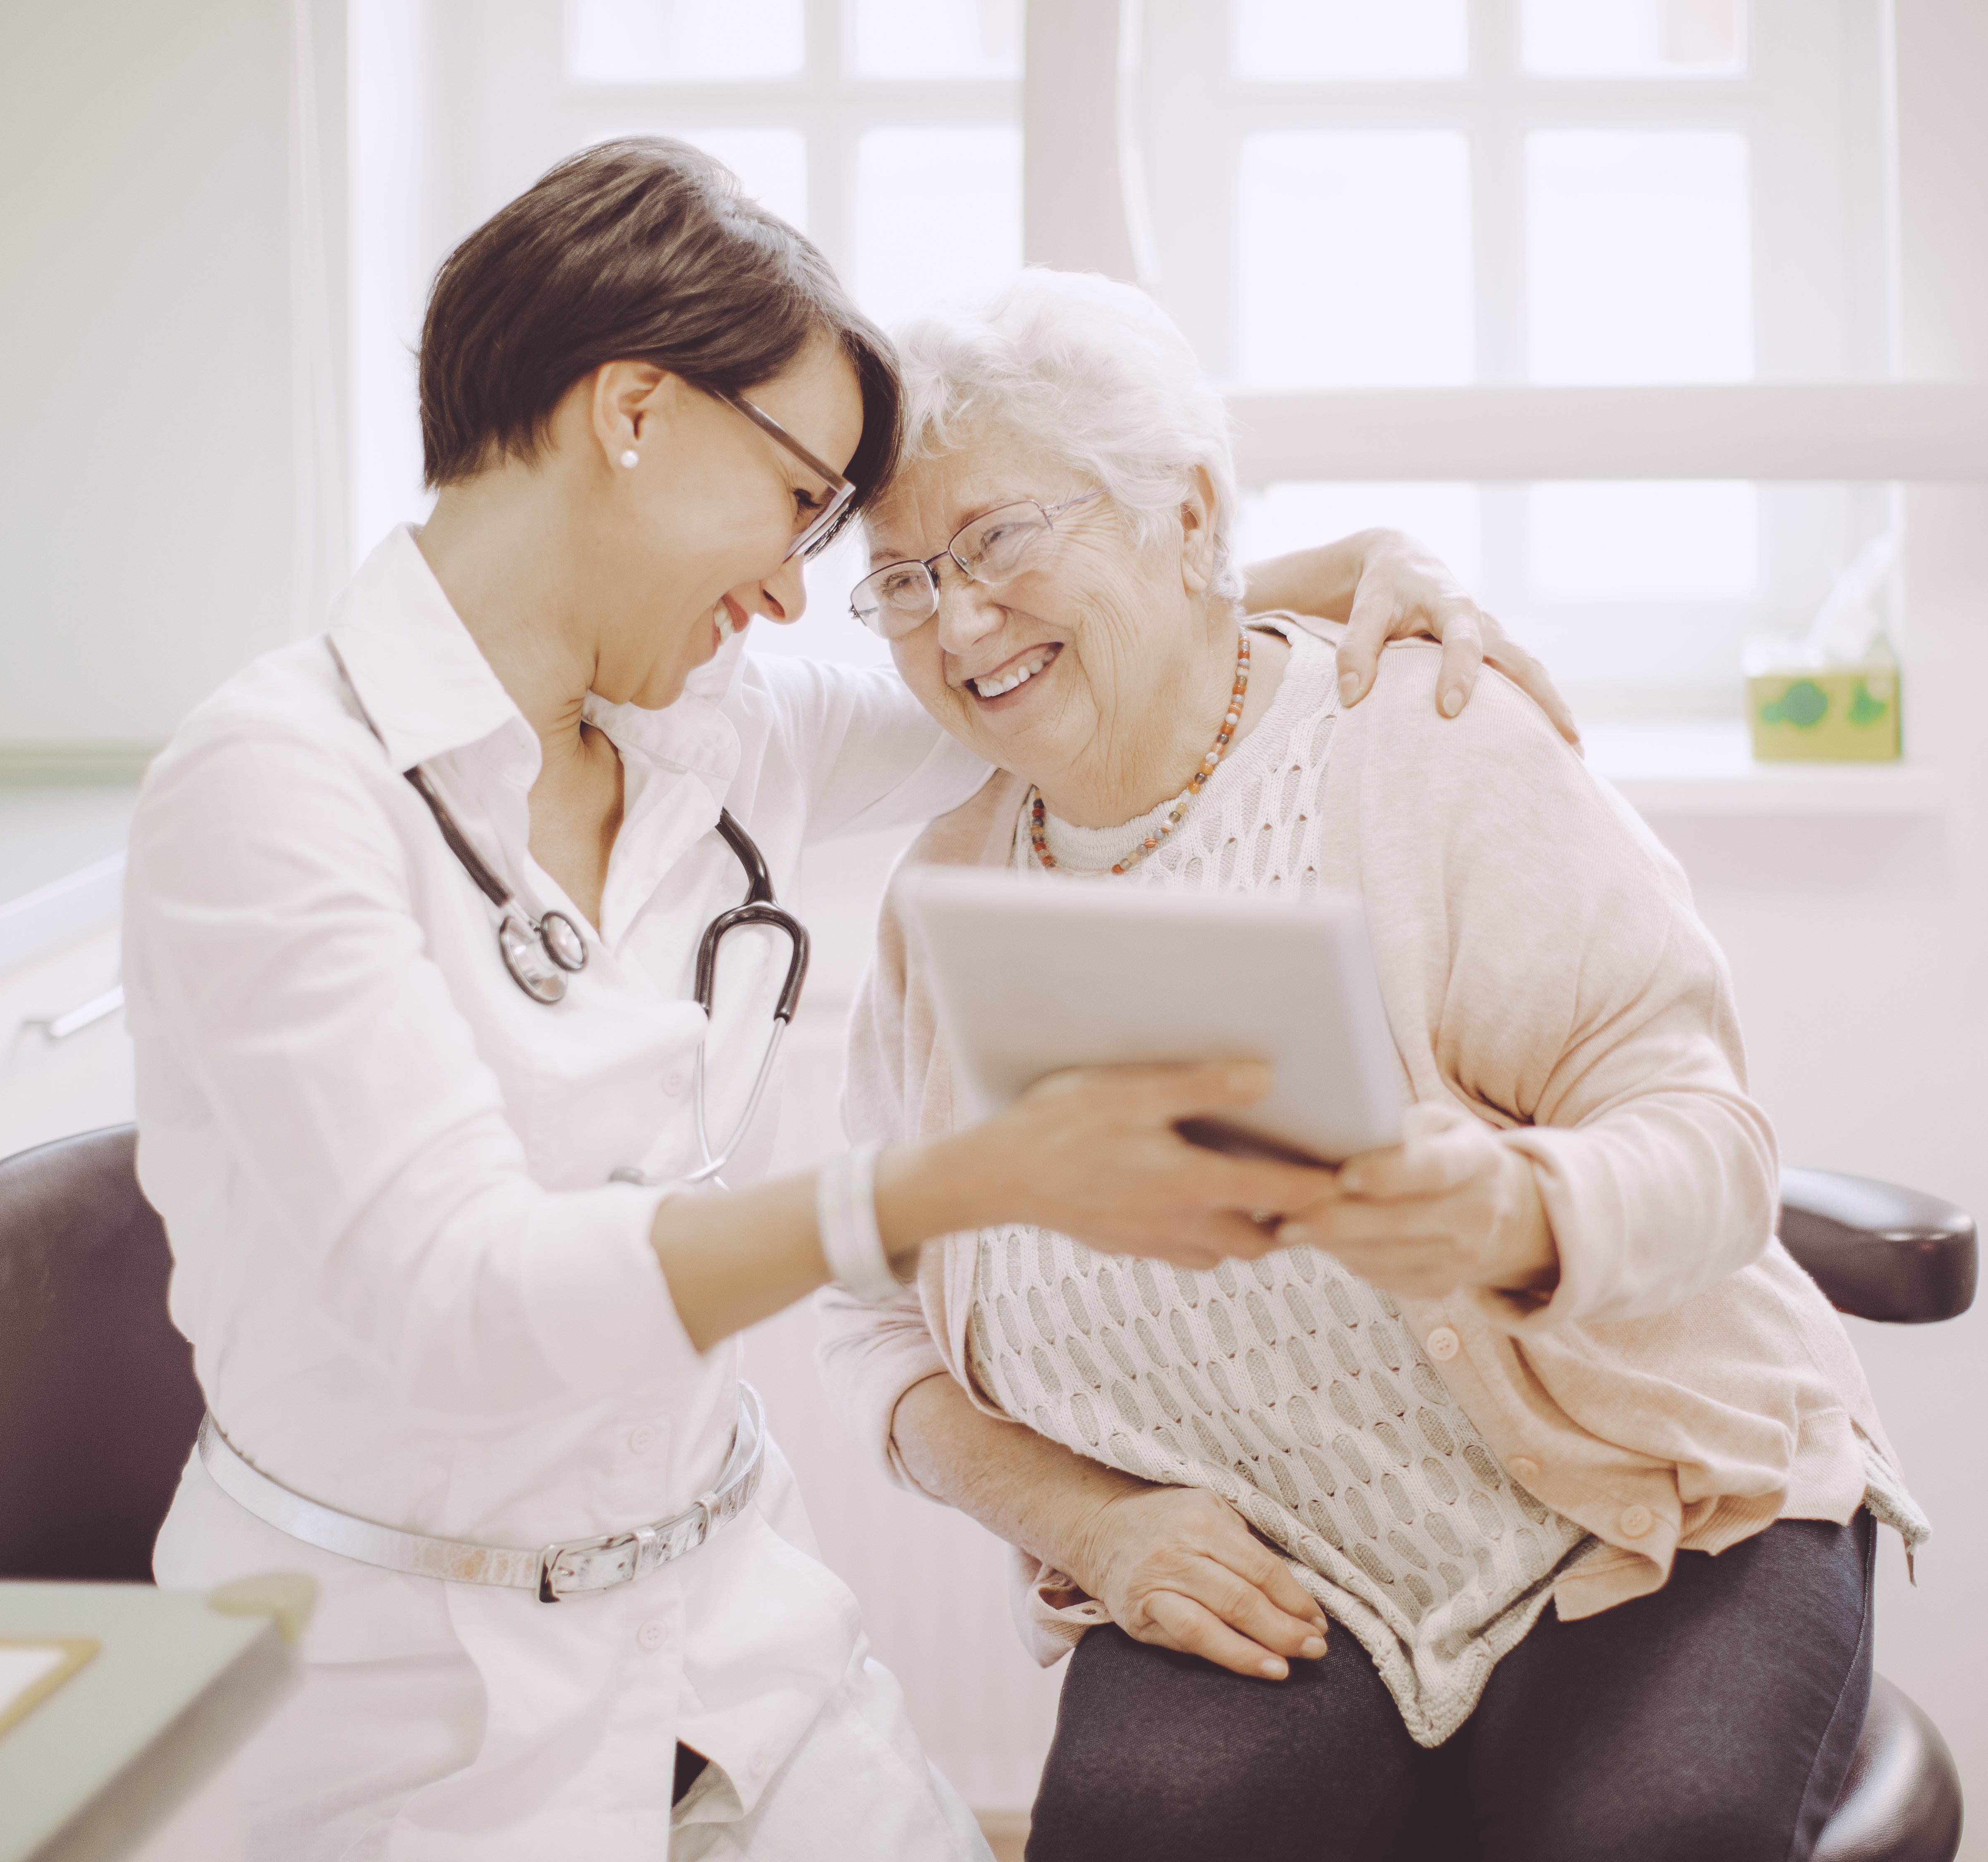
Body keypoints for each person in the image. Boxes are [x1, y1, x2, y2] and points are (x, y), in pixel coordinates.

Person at [121, 138, 1544, 1860]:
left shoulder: (708, 735)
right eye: (798, 501)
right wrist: (965, 1181)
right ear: (633, 411)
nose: (798, 587)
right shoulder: (274, 786)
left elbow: (1015, 655)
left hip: (731, 1640)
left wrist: (1340, 559)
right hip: (393, 1705)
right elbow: (457, 1300)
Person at [815, 268, 1931, 1862]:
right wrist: (1092, 1525)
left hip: (1638, 1513)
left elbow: (1709, 1142)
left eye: (997, 538)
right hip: (1279, 1569)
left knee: (1645, 1836)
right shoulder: (945, 899)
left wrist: (1518, 1214)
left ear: (1186, 517)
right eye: (904, 581)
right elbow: (871, 1313)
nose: (958, 618)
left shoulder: (1423, 743)